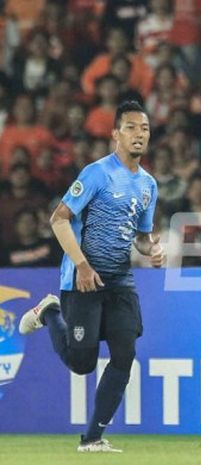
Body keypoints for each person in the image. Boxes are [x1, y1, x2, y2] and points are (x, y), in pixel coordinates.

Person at [17, 101, 163, 453]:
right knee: (82, 364)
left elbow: (141, 236)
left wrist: (151, 249)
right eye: (130, 127)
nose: (139, 134)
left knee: (124, 354)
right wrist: (82, 265)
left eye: (144, 128)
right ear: (115, 134)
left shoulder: (148, 185)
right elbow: (59, 218)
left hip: (119, 282)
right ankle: (50, 311)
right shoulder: (97, 173)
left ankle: (93, 438)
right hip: (84, 279)